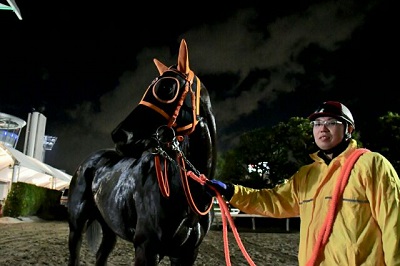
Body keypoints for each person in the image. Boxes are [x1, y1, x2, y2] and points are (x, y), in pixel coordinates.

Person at [207, 101, 400, 266]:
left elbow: (394, 226)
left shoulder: (372, 165)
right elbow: (273, 200)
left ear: (349, 129)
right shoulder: (307, 175)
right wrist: (232, 192)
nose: (322, 128)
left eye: (331, 122)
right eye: (317, 124)